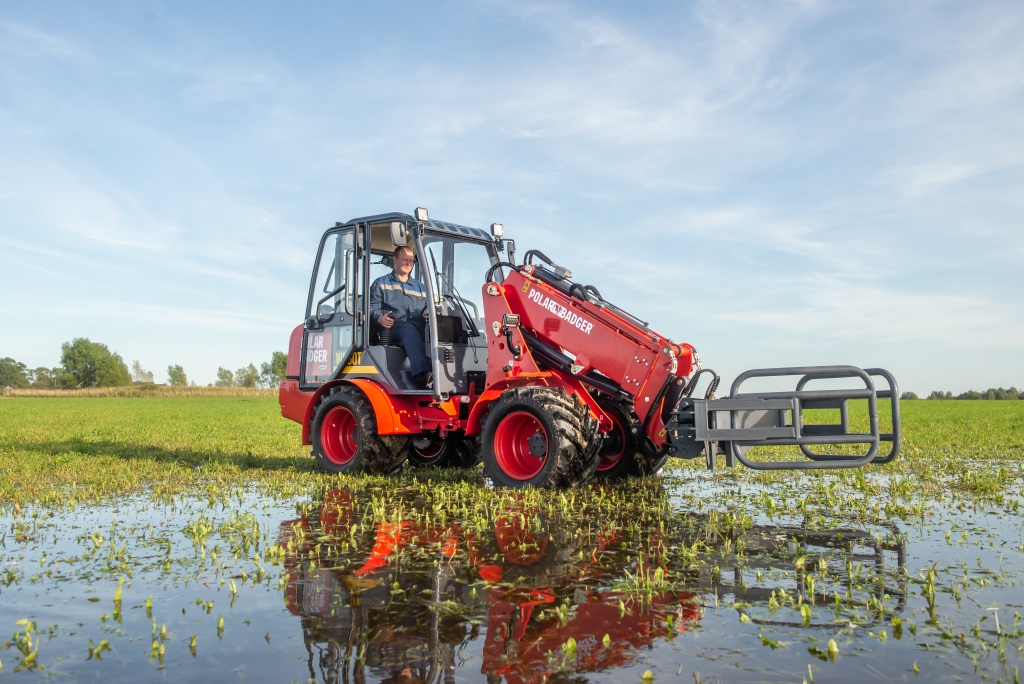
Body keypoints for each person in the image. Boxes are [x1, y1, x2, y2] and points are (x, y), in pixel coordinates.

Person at [369, 245, 432, 387]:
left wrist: (427, 311)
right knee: (408, 329)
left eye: (411, 261)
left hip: (417, 326)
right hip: (392, 327)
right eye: (405, 260)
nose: (409, 264)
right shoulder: (381, 283)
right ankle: (424, 373)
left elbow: (428, 306)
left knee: (440, 331)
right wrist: (380, 318)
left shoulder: (421, 287)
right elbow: (371, 308)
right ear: (395, 260)